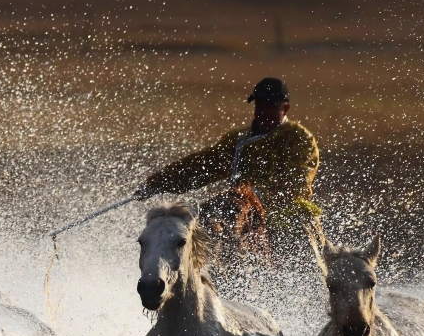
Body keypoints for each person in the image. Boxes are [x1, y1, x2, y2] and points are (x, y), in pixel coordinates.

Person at [132, 77, 321, 258]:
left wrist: (250, 197)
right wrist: (154, 185)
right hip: (237, 210)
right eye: (260, 104)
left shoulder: (300, 138)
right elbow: (200, 166)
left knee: (302, 247)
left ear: (285, 108)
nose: (263, 110)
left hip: (285, 217)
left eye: (271, 105)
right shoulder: (238, 141)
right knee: (199, 222)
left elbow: (297, 182)